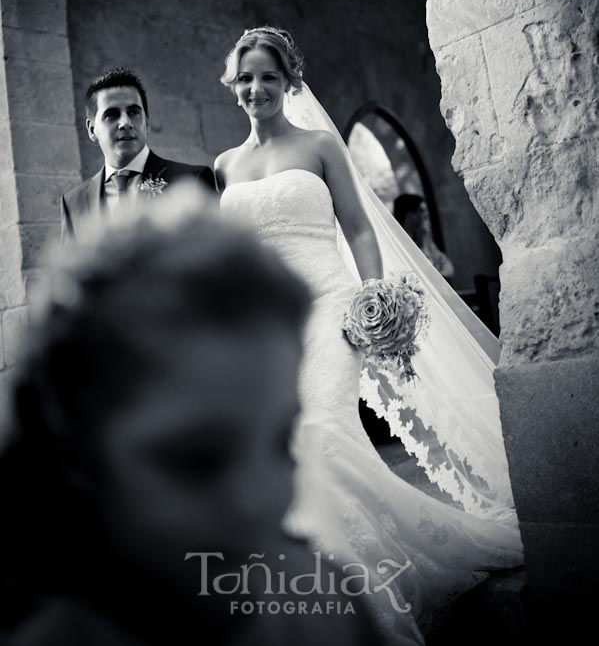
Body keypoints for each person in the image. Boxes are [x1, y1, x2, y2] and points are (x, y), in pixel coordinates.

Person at [215, 27, 524, 645]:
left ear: (288, 81)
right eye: (245, 77)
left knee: (322, 430)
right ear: (233, 85)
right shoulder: (225, 167)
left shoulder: (321, 144)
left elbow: (357, 229)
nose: (256, 88)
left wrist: (370, 297)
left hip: (331, 306)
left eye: (267, 76)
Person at [0, 185, 381, 646]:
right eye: (197, 460)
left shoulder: (325, 606)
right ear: (76, 452)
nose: (260, 500)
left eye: (280, 441)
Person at [61, 67, 214, 240]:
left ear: (147, 122)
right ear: (91, 130)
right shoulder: (73, 202)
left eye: (133, 112)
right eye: (112, 114)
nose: (125, 123)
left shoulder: (192, 180)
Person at [394, 194, 454, 281]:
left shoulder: (425, 238)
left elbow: (448, 268)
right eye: (421, 211)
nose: (426, 214)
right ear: (410, 216)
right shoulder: (398, 243)